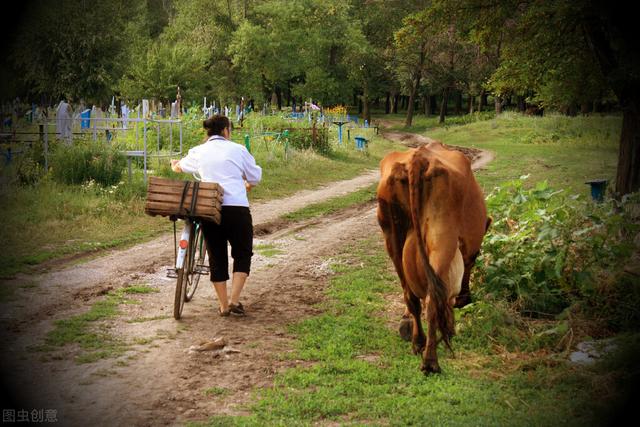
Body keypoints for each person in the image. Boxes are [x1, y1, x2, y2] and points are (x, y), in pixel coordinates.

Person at [171, 115, 262, 317]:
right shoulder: (238, 150)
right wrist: (246, 185)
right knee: (242, 253)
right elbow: (255, 176)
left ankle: (222, 306)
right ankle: (234, 301)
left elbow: (180, 167)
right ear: (225, 131)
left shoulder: (199, 151)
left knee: (216, 257)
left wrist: (174, 165)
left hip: (210, 210)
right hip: (237, 209)